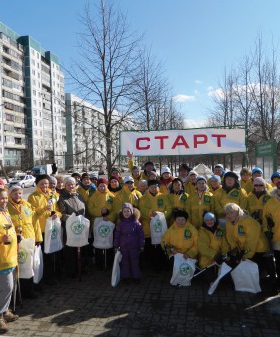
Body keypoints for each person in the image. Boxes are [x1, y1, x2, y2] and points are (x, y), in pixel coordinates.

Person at [8, 185, 42, 299]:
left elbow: (35, 223)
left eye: (20, 193)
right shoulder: (7, 207)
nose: (18, 195)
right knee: (19, 267)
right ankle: (18, 294)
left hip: (28, 241)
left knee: (29, 266)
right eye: (15, 193)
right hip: (16, 242)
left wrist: (38, 239)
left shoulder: (27, 206)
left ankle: (29, 290)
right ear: (10, 194)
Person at [28, 175, 61, 285]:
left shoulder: (52, 195)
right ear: (37, 184)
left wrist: (57, 214)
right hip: (41, 230)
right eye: (42, 183)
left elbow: (57, 210)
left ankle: (52, 276)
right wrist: (43, 209)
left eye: (46, 183)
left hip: (52, 229)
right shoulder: (33, 197)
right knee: (43, 256)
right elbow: (32, 214)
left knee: (52, 254)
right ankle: (43, 279)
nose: (44, 185)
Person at [139, 180, 172, 270]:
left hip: (162, 226)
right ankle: (151, 265)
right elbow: (142, 210)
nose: (154, 188)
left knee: (161, 246)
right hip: (148, 227)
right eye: (152, 187)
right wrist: (150, 214)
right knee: (150, 247)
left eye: (156, 187)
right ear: (148, 188)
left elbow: (169, 208)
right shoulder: (143, 198)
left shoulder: (163, 196)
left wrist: (162, 216)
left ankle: (162, 264)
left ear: (158, 187)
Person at [58, 177, 86, 278]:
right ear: (65, 186)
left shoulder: (79, 195)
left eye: (72, 184)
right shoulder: (62, 198)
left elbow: (84, 207)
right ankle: (71, 271)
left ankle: (81, 268)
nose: (71, 186)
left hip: (80, 226)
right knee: (70, 250)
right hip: (70, 227)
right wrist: (73, 218)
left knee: (81, 247)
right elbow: (63, 214)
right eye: (68, 184)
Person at [0, 188, 19, 333]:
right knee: (6, 287)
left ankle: (5, 310)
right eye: (1, 198)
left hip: (10, 256)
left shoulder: (4, 212)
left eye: (5, 198)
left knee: (9, 287)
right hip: (2, 259)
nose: (4, 200)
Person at [224, 203, 267, 267]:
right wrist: (236, 252)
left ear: (238, 212)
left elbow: (251, 241)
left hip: (258, 249)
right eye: (227, 213)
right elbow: (230, 238)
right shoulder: (228, 223)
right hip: (243, 250)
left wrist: (245, 255)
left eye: (231, 212)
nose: (229, 215)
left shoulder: (250, 222)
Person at [87, 178, 116, 270]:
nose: (102, 187)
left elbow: (115, 210)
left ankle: (109, 262)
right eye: (100, 186)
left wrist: (109, 216)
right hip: (97, 223)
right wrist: (100, 211)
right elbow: (90, 210)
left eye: (104, 185)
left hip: (108, 222)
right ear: (97, 186)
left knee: (109, 242)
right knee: (98, 244)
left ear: (107, 186)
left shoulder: (111, 196)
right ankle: (99, 263)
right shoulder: (93, 197)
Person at [114, 203, 145, 283]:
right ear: (122, 212)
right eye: (125, 211)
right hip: (123, 246)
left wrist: (141, 244)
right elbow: (117, 235)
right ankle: (126, 277)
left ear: (132, 212)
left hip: (134, 246)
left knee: (135, 262)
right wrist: (116, 246)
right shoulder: (120, 223)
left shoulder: (136, 222)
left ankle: (136, 277)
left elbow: (141, 234)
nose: (126, 213)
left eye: (128, 211)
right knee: (125, 262)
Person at [197, 212, 229, 282]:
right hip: (207, 261)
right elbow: (202, 248)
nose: (209, 222)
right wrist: (215, 255)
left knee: (225, 279)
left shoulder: (220, 230)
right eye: (207, 220)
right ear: (204, 221)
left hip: (219, 260)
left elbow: (225, 245)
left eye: (211, 219)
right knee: (211, 279)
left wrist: (223, 255)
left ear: (214, 220)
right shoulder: (201, 232)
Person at [262, 180, 280, 287]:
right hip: (276, 237)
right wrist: (266, 230)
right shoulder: (270, 202)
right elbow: (265, 219)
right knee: (278, 260)